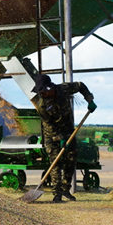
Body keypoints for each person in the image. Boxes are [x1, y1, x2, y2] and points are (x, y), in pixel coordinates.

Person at [30, 74, 96, 203]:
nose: (41, 94)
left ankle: (66, 189)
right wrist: (58, 138)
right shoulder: (41, 105)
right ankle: (57, 194)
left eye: (43, 91)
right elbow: (50, 125)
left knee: (71, 159)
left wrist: (89, 100)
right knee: (56, 162)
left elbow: (80, 86)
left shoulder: (63, 89)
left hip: (68, 131)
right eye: (40, 91)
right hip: (51, 135)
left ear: (49, 88)